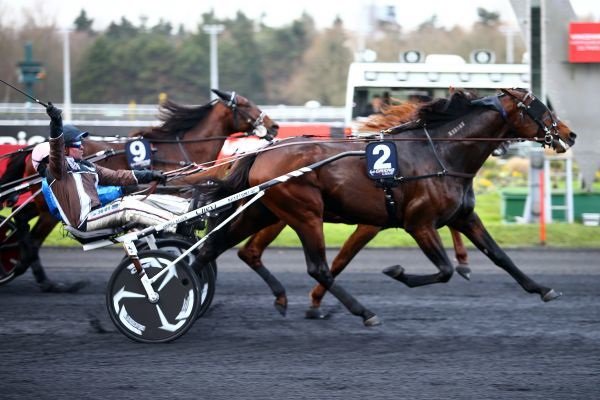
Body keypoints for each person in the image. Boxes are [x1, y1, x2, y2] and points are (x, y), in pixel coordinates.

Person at [43, 102, 188, 233]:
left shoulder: (88, 166)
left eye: (81, 142)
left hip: (98, 213)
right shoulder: (58, 169)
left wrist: (150, 175)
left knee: (140, 198)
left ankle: (186, 210)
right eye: (76, 143)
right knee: (127, 206)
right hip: (83, 221)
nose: (82, 146)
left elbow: (117, 176)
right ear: (65, 148)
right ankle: (177, 226)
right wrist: (56, 124)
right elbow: (56, 151)